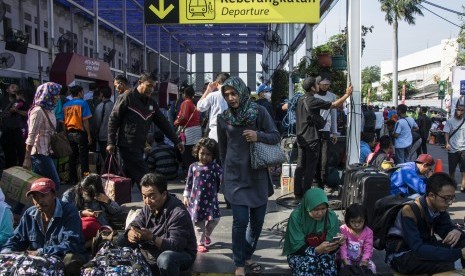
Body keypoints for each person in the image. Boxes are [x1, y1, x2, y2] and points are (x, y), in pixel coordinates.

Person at [217, 76, 280, 276]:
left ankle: (247, 254)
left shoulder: (259, 112)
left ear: (242, 92)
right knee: (240, 221)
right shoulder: (223, 118)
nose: (231, 98)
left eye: (233, 93)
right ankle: (239, 264)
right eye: (226, 95)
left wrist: (257, 135)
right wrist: (223, 177)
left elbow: (276, 136)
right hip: (235, 176)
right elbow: (222, 150)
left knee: (258, 222)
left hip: (257, 174)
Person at [107, 72, 183, 190]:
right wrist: (110, 142)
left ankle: (115, 203)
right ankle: (155, 199)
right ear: (140, 83)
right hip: (127, 145)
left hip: (140, 145)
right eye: (148, 85)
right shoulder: (127, 97)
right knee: (144, 175)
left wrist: (177, 141)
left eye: (153, 87)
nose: (151, 89)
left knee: (128, 175)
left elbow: (163, 123)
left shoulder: (151, 103)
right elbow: (113, 119)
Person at [1, 178, 87, 275]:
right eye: (35, 197)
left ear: (54, 195)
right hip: (39, 261)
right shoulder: (29, 214)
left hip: (60, 258)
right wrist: (6, 252)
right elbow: (16, 239)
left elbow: (71, 243)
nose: (39, 201)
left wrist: (40, 252)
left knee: (70, 260)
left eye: (43, 196)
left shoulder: (69, 211)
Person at [118, 173, 197, 275]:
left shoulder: (178, 213)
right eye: (144, 196)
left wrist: (152, 237)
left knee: (166, 259)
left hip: (180, 253)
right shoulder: (149, 206)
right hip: (155, 249)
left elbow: (176, 246)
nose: (147, 201)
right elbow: (136, 222)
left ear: (164, 194)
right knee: (122, 239)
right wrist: (131, 232)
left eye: (151, 196)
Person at [386, 172, 465, 274]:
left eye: (452, 197)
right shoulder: (410, 210)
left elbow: (447, 233)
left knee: (461, 242)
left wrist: (456, 231)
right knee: (448, 262)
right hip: (403, 255)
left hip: (425, 247)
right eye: (446, 198)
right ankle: (457, 265)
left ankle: (456, 263)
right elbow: (418, 249)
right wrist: (459, 253)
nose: (450, 202)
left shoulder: (439, 209)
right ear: (431, 195)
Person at [293, 77, 352, 199]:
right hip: (311, 138)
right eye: (317, 84)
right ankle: (307, 194)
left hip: (300, 137)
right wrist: (347, 95)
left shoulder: (300, 99)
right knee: (310, 167)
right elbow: (335, 105)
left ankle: (297, 192)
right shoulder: (312, 100)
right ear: (313, 87)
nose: (319, 86)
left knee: (300, 165)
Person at [282, 188, 343, 276]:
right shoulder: (297, 217)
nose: (320, 213)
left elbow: (331, 247)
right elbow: (296, 247)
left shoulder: (330, 216)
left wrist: (337, 244)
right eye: (315, 209)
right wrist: (316, 250)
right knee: (309, 263)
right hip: (299, 254)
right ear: (307, 206)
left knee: (327, 262)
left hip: (324, 253)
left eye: (323, 208)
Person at [182, 138, 222, 253]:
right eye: (202, 153)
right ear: (197, 152)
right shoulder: (193, 166)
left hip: (211, 201)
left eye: (208, 154)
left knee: (215, 219)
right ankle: (199, 242)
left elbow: (223, 176)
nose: (204, 157)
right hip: (196, 201)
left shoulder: (214, 167)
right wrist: (186, 196)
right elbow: (189, 182)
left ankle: (206, 235)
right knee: (199, 223)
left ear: (213, 155)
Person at [23, 82, 62, 191]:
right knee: (55, 183)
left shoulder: (50, 109)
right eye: (56, 94)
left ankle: (18, 207)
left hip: (47, 152)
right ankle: (55, 207)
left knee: (33, 185)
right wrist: (27, 158)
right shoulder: (38, 111)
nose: (58, 97)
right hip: (39, 154)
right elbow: (31, 136)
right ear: (47, 95)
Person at [62, 174, 121, 242]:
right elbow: (64, 215)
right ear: (82, 188)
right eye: (87, 194)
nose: (90, 199)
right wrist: (81, 213)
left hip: (99, 228)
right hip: (78, 228)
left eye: (93, 196)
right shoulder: (68, 195)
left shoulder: (98, 195)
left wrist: (108, 201)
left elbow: (117, 211)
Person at [61, 85, 93, 185]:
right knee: (84, 158)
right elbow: (85, 121)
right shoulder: (83, 103)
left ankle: (72, 179)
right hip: (81, 134)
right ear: (79, 93)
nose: (83, 94)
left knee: (72, 157)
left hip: (69, 133)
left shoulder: (66, 105)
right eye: (82, 92)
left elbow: (63, 122)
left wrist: (65, 134)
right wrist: (88, 135)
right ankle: (85, 177)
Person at [314, 78, 338, 187]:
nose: (325, 86)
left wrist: (334, 132)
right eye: (323, 84)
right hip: (313, 130)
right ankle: (315, 178)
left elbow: (333, 114)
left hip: (326, 130)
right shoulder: (312, 96)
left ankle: (322, 181)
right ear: (318, 84)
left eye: (328, 84)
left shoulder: (332, 96)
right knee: (315, 156)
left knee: (325, 157)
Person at [339, 203, 376, 273]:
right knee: (344, 270)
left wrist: (364, 262)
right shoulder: (343, 229)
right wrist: (346, 264)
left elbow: (368, 248)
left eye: (360, 222)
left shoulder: (368, 232)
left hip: (362, 260)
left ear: (365, 220)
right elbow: (342, 247)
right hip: (347, 259)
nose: (356, 225)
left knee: (372, 267)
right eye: (353, 221)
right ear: (348, 220)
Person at [174, 86, 201, 175]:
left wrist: (176, 122)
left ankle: (190, 175)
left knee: (187, 154)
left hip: (189, 132)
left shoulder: (186, 102)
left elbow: (184, 117)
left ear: (184, 94)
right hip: (196, 131)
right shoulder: (193, 104)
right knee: (194, 153)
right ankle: (195, 174)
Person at [196, 72, 230, 142]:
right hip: (231, 131)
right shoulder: (234, 95)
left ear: (217, 83)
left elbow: (199, 107)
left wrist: (208, 90)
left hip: (216, 131)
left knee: (216, 152)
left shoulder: (213, 95)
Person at [444, 104, 465, 192]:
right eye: (458, 109)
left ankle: (463, 187)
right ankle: (452, 188)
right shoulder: (450, 121)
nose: (459, 111)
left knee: (463, 171)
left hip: (463, 149)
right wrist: (447, 143)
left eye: (461, 110)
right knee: (451, 171)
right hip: (452, 149)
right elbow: (446, 133)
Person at [94, 86, 114, 164]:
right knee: (113, 157)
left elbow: (97, 122)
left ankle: (109, 174)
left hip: (103, 136)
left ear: (102, 94)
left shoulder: (100, 106)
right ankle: (114, 173)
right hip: (113, 136)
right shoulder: (114, 105)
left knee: (105, 157)